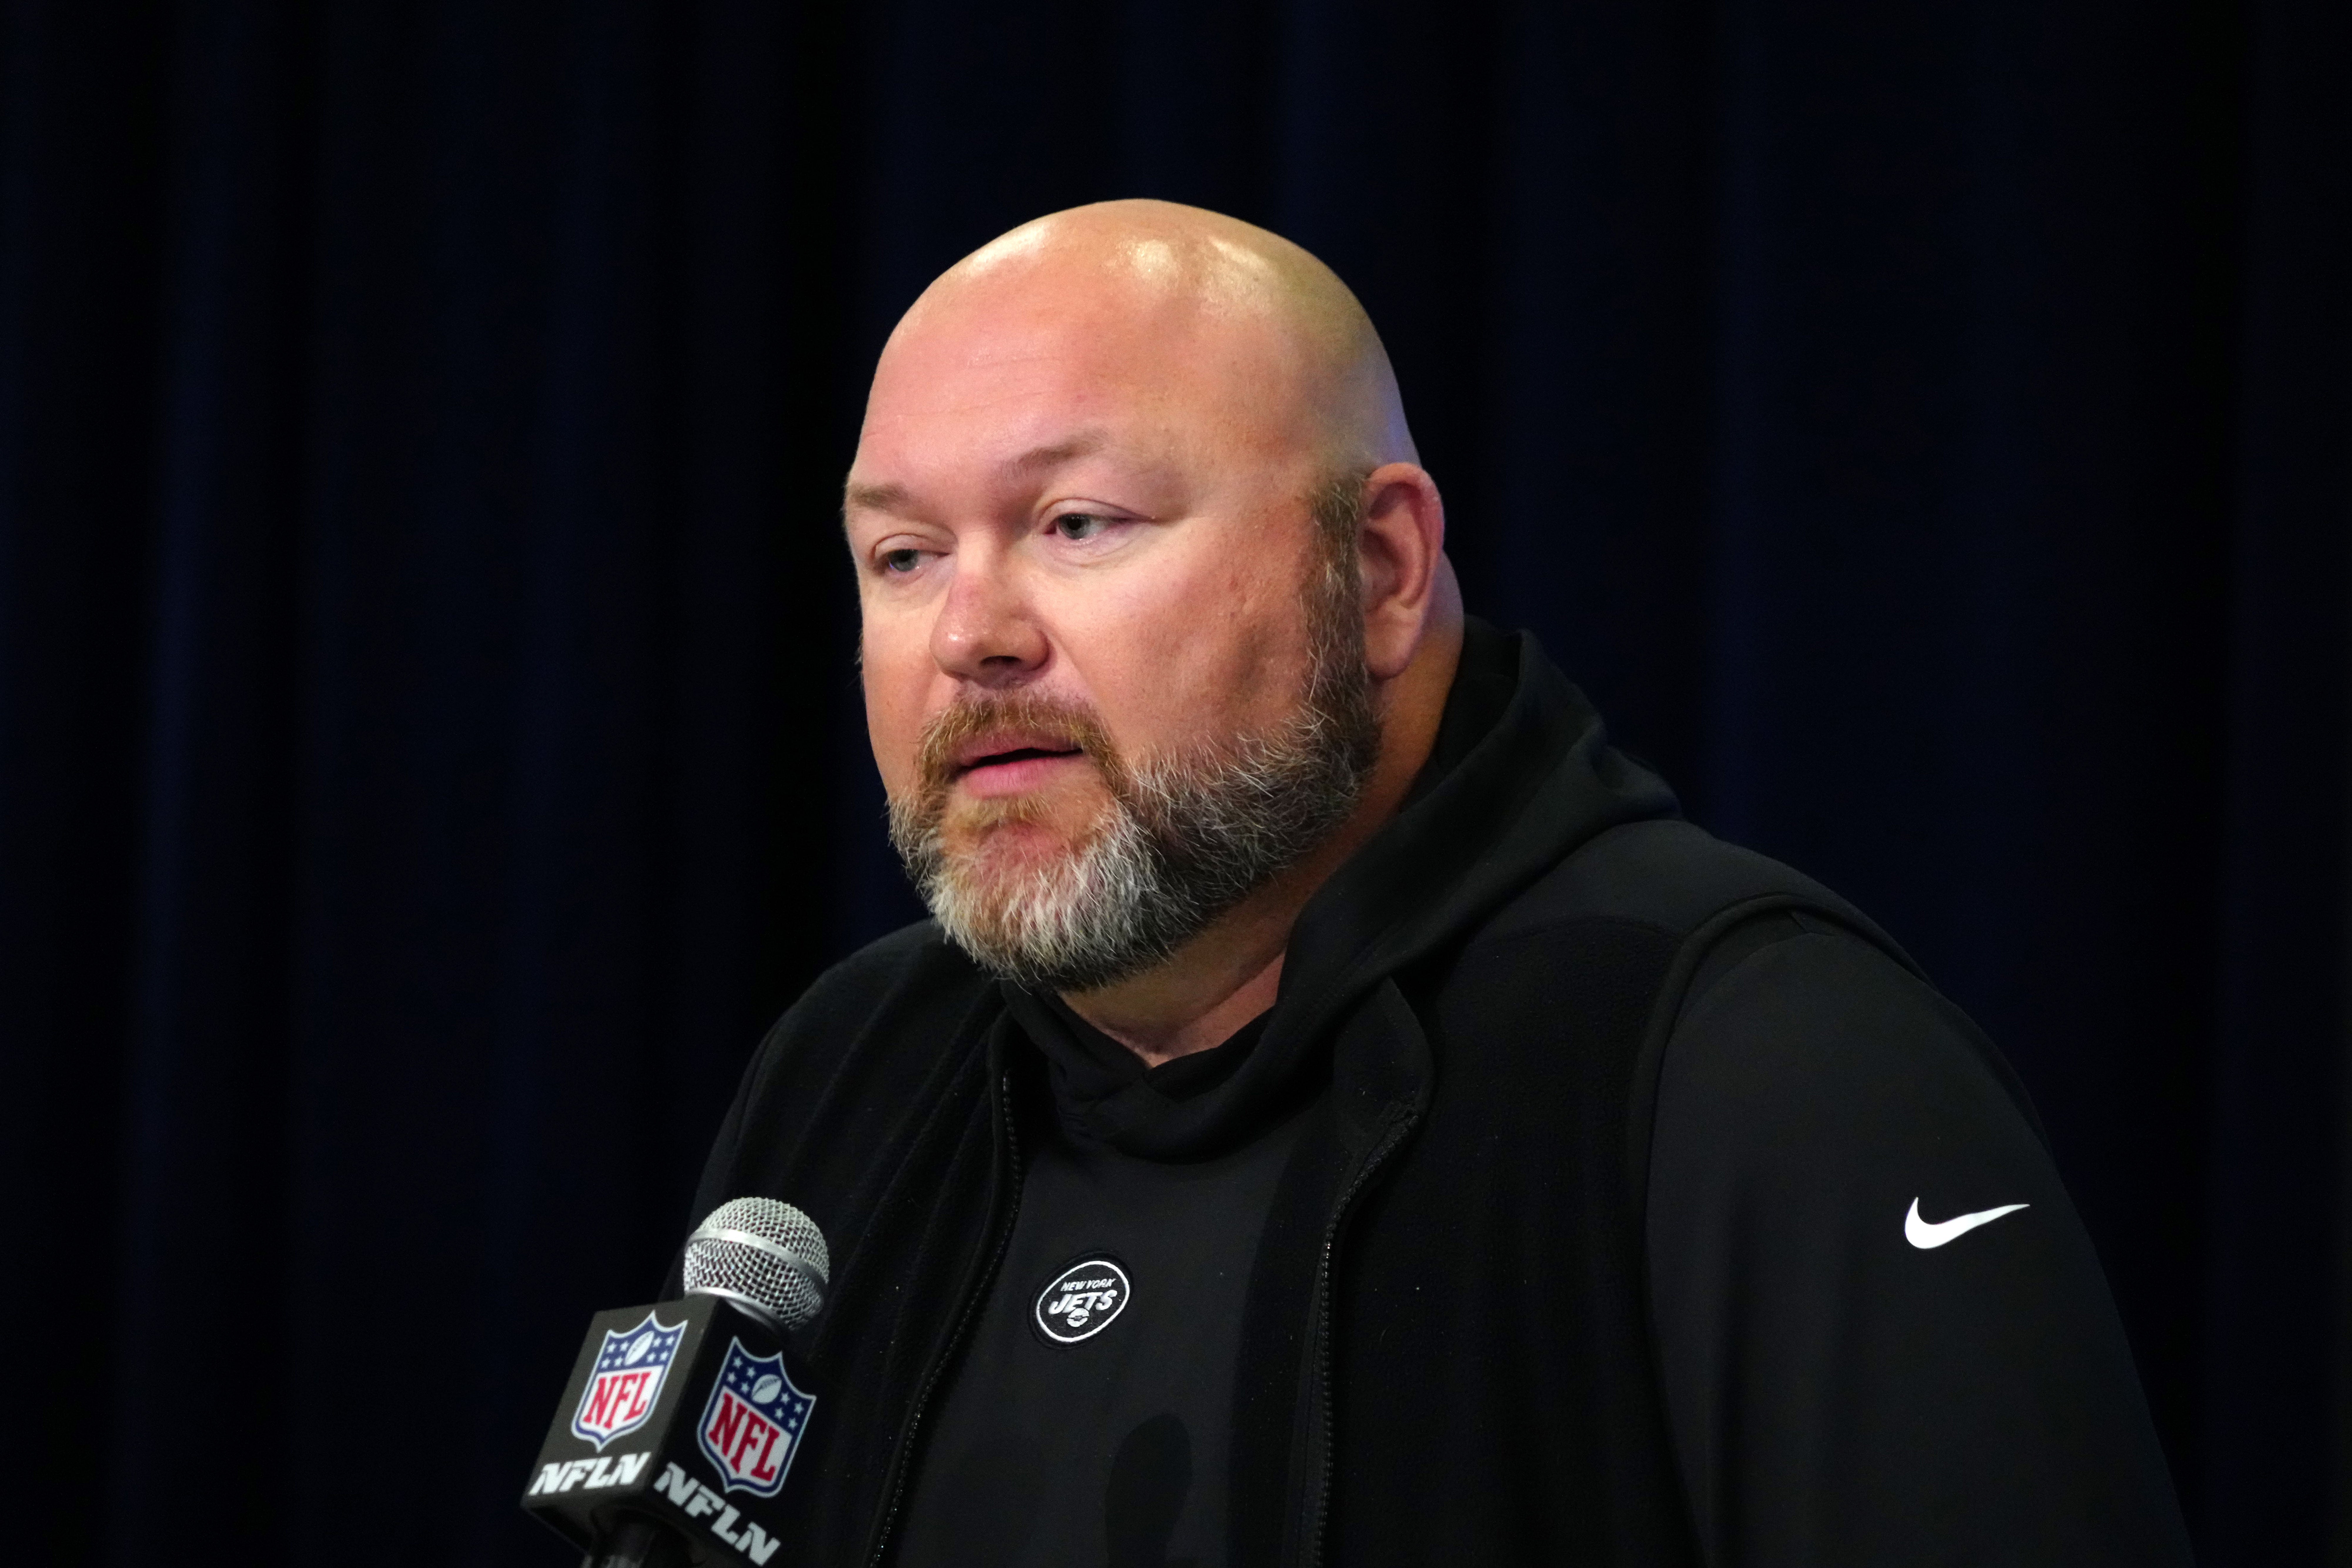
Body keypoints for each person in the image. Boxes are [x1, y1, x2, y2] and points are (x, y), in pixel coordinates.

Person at [683, 199, 2191, 1567]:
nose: (972, 633)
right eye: (902, 555)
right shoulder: (850, 1075)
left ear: (1385, 567)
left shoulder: (1771, 1067)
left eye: (1079, 525)